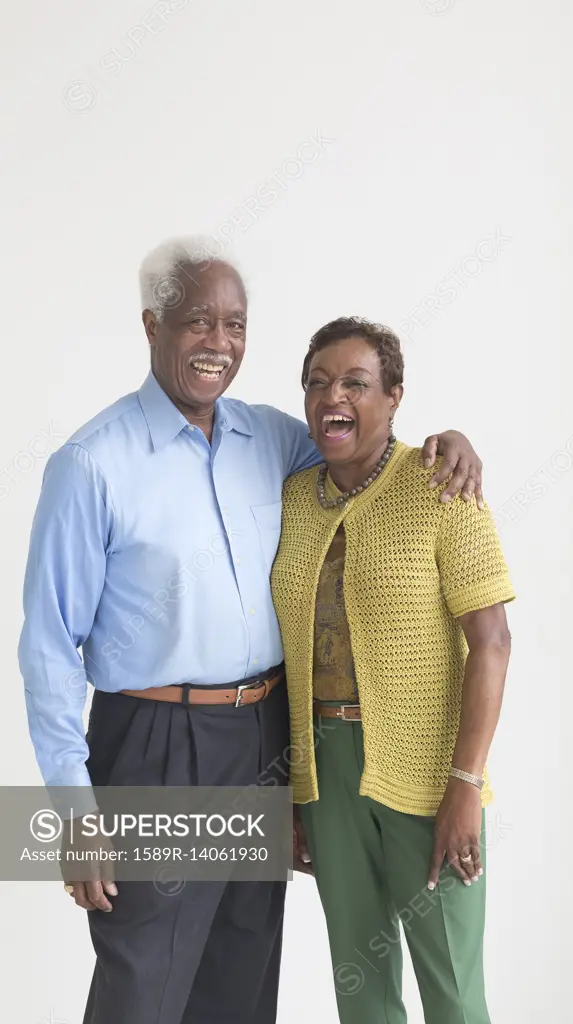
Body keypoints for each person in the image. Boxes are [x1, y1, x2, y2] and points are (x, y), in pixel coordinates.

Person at [18, 237, 486, 1024]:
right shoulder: (91, 463)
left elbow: (365, 448)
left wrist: (451, 442)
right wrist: (72, 808)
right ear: (151, 325)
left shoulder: (271, 439)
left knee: (239, 975)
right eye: (199, 321)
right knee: (143, 983)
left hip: (266, 736)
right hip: (154, 742)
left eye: (236, 325)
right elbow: (46, 645)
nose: (220, 344)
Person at [271, 316, 515, 1024]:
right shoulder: (292, 497)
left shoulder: (442, 484)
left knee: (453, 993)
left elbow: (493, 641)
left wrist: (465, 786)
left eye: (355, 382)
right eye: (317, 383)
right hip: (325, 774)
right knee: (361, 987)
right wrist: (292, 790)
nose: (331, 397)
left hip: (429, 773)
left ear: (395, 395)